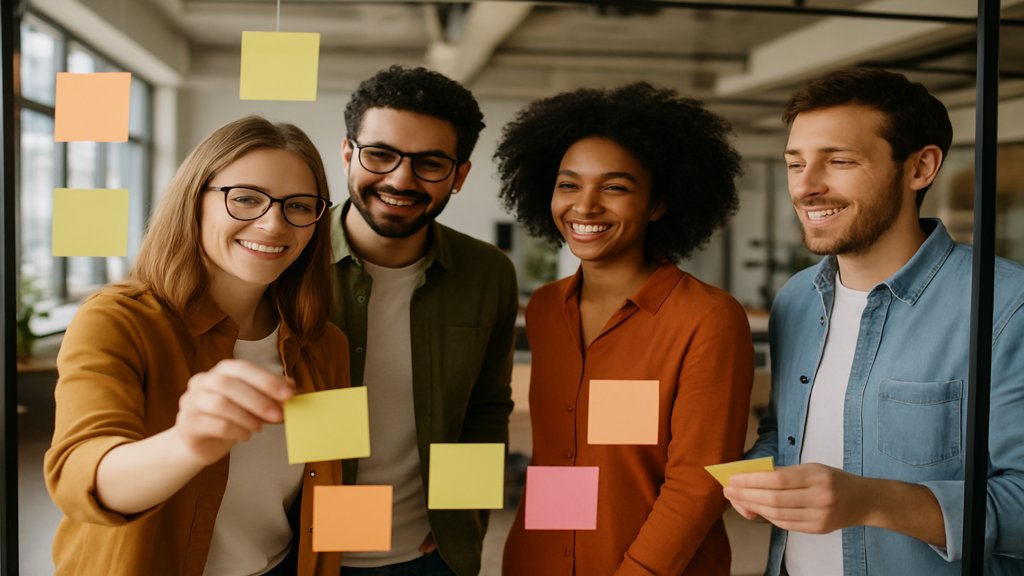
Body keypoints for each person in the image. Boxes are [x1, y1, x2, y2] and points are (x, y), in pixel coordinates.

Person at [724, 68, 1024, 575]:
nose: (807, 187)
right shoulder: (797, 297)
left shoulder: (1006, 305)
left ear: (920, 168)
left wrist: (869, 501)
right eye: (795, 164)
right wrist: (757, 477)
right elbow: (786, 431)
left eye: (839, 161)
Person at [44, 116, 348, 576]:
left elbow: (330, 480)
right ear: (195, 201)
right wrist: (187, 444)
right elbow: (76, 477)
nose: (273, 224)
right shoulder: (118, 319)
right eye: (245, 198)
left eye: (300, 206)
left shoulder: (324, 343)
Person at [495, 82, 754, 575]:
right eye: (568, 184)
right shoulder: (547, 310)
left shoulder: (707, 317)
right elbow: (564, 459)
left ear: (658, 204)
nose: (585, 206)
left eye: (614, 187)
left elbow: (698, 483)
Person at [330, 65, 517, 576]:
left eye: (430, 163)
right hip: (298, 548)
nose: (400, 179)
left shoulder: (486, 272)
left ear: (459, 176)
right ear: (348, 153)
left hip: (427, 556)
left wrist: (463, 521)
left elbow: (485, 408)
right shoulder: (288, 256)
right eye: (380, 154)